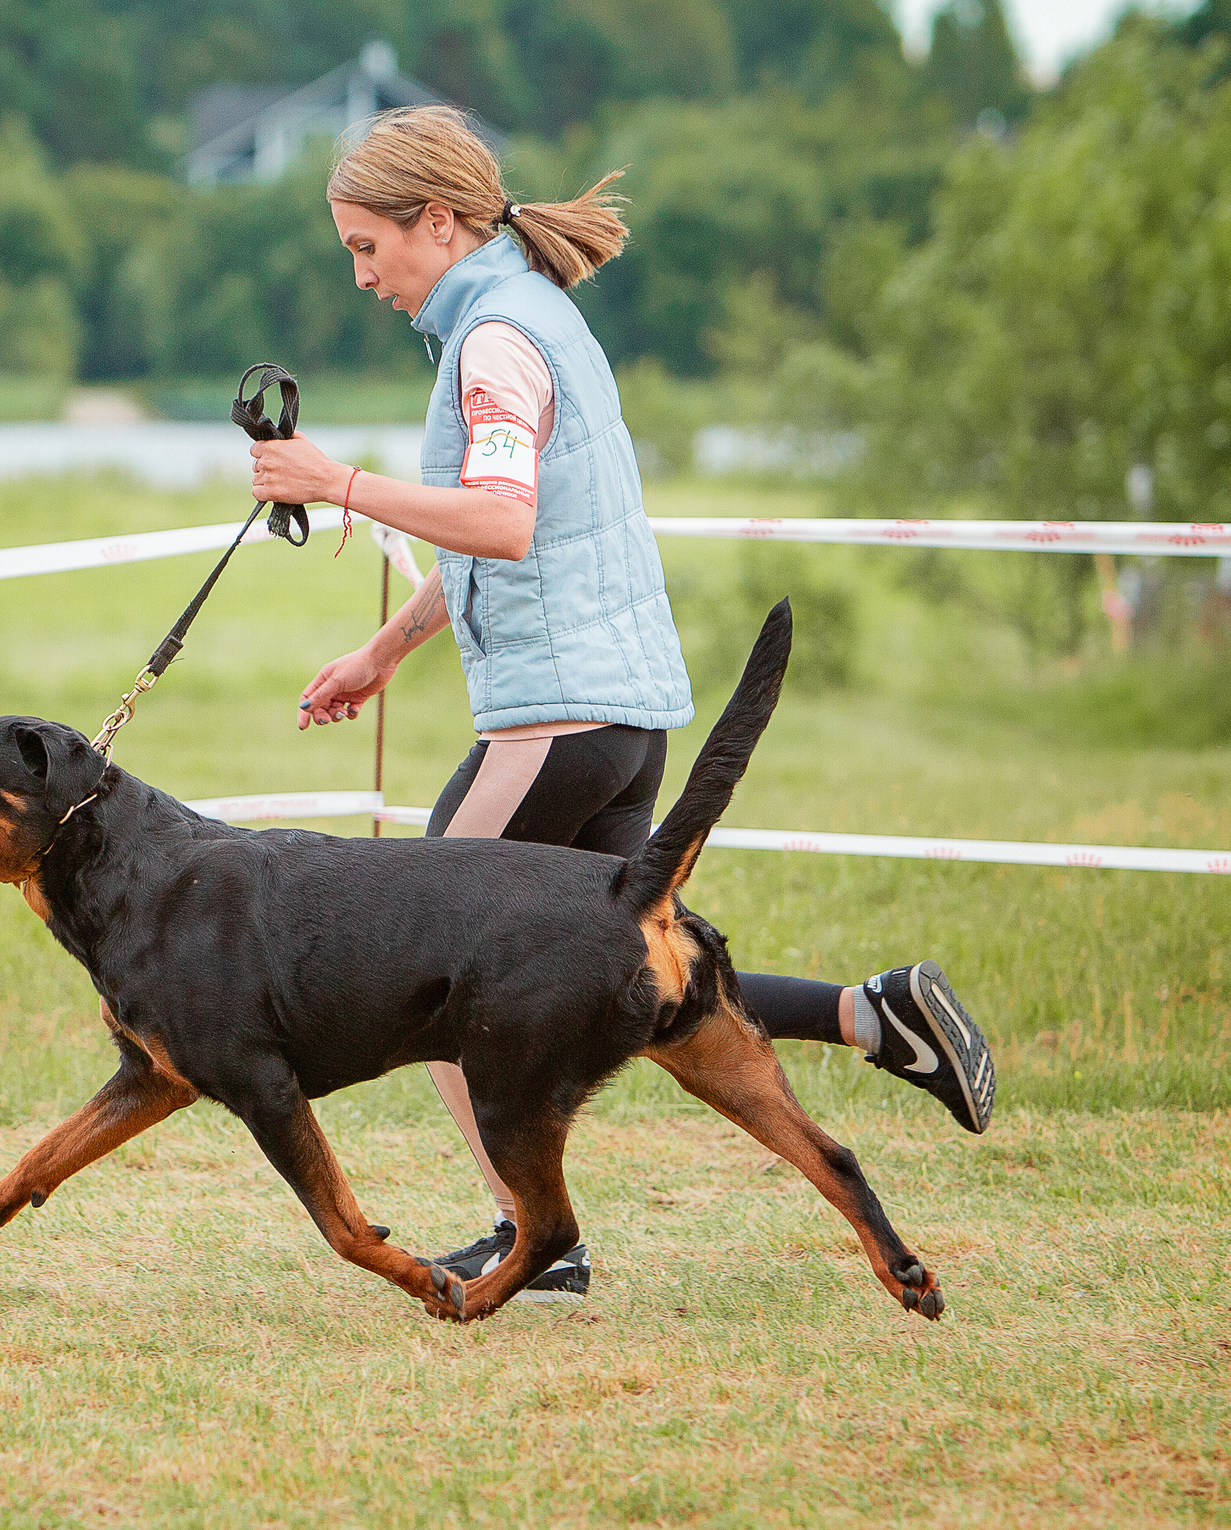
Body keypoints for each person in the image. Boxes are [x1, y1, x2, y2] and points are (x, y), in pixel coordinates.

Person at [247, 105, 995, 1303]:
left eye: (366, 246)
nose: (359, 275)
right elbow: (507, 535)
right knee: (630, 975)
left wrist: (335, 479)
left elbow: (503, 520)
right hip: (621, 718)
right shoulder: (530, 315)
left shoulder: (493, 339)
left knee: (423, 974)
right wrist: (387, 649)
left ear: (436, 223)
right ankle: (874, 1015)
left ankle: (533, 1238)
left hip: (559, 718)